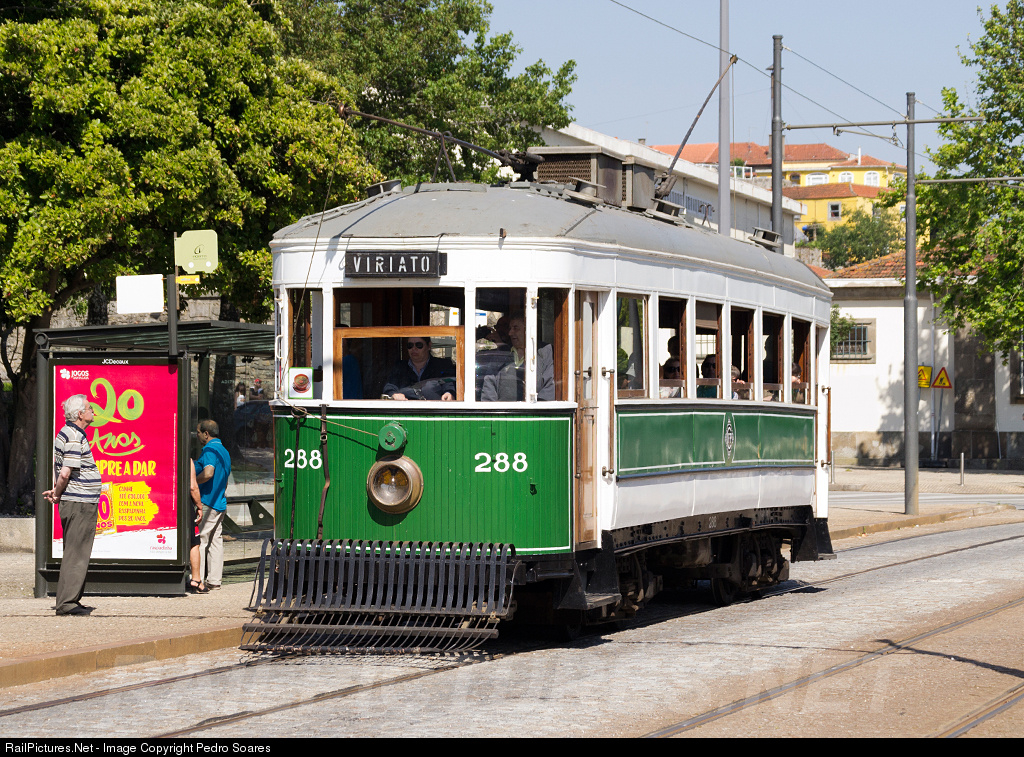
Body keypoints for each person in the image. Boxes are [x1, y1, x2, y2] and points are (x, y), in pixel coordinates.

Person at [44, 395, 102, 616]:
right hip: (80, 503)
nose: (93, 411)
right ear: (80, 414)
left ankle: (70, 600)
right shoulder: (74, 435)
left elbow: (60, 469)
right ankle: (67, 603)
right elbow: (65, 472)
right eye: (89, 408)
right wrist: (57, 493)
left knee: (74, 552)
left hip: (77, 501)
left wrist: (57, 491)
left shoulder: (67, 433)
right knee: (77, 554)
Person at [481, 315, 554, 401]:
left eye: (515, 328)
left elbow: (550, 387)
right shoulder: (502, 354)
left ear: (528, 330)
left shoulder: (545, 352)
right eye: (510, 328)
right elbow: (489, 388)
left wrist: (534, 408)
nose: (510, 333)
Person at [195, 420, 231, 591]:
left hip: (207, 501)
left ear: (206, 433)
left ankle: (198, 580)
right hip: (220, 502)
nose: (197, 436)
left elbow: (208, 473)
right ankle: (215, 580)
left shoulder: (209, 450)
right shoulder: (224, 451)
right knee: (216, 541)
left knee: (200, 539)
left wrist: (193, 482)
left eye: (198, 432)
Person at [382, 336, 456, 400]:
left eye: (419, 345)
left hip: (435, 409)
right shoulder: (400, 367)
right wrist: (394, 394)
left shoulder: (442, 365)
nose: (414, 348)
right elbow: (389, 387)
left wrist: (449, 394)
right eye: (410, 345)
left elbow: (449, 384)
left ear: (429, 346)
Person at [187, 460, 208, 593]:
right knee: (194, 542)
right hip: (184, 505)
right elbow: (193, 486)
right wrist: (199, 506)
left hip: (164, 502)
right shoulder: (187, 460)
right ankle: (196, 579)